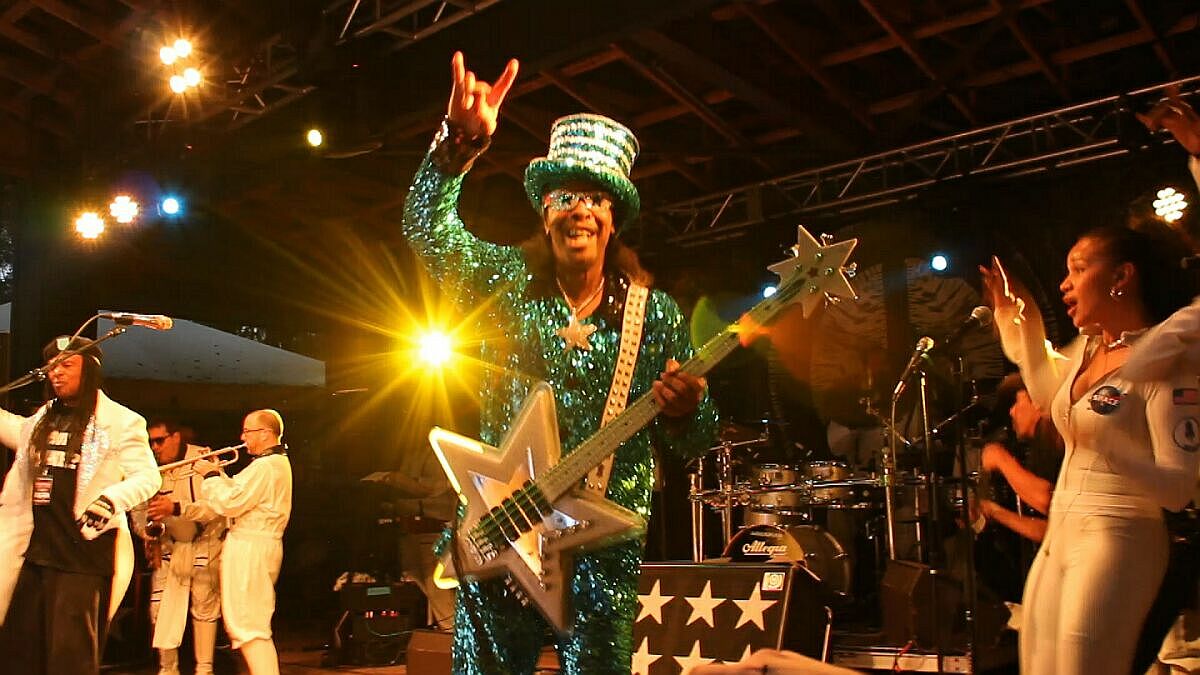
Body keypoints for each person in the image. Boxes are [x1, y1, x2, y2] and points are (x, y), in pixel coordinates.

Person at [402, 52, 717, 674]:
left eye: (596, 198)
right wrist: (458, 144)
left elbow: (697, 441)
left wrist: (690, 410)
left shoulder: (654, 316)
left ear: (613, 221)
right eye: (564, 195)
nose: (579, 209)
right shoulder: (503, 283)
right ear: (544, 213)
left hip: (605, 549)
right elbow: (425, 229)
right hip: (503, 527)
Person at [980, 213, 1200, 674]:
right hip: (1062, 535)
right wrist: (1013, 313)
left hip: (1117, 536)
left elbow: (1179, 489)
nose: (1065, 283)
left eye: (1079, 269)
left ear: (1121, 276)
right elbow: (1043, 379)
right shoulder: (1087, 353)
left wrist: (1112, 448)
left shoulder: (1165, 361)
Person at [0, 335, 161, 674]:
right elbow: (16, 431)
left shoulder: (120, 421)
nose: (57, 373)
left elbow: (148, 477)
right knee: (20, 654)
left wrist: (111, 499)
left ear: (89, 370)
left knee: (70, 658)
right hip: (37, 553)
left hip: (82, 557)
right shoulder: (44, 416)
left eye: (67, 365)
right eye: (52, 366)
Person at [194, 409, 292, 675]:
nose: (242, 437)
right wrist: (218, 472)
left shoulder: (267, 466)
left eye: (247, 431)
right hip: (252, 544)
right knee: (245, 623)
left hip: (252, 546)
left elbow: (230, 503)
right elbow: (238, 494)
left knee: (249, 625)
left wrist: (210, 475)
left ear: (265, 433)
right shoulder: (268, 465)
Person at [133, 419, 226, 675]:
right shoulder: (150, 467)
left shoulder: (203, 460)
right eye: (151, 442)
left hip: (203, 543)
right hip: (169, 548)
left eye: (160, 440)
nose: (155, 447)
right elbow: (138, 508)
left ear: (175, 437)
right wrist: (147, 533)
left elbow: (219, 504)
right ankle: (167, 670)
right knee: (159, 608)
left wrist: (175, 507)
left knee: (204, 607)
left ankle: (204, 670)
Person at [974, 373, 1062, 545]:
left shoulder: (1062, 443)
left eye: (1017, 402)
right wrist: (993, 511)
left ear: (1038, 404)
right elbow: (1050, 529)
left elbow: (1054, 503)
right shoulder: (1036, 450)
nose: (1011, 411)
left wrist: (1002, 460)